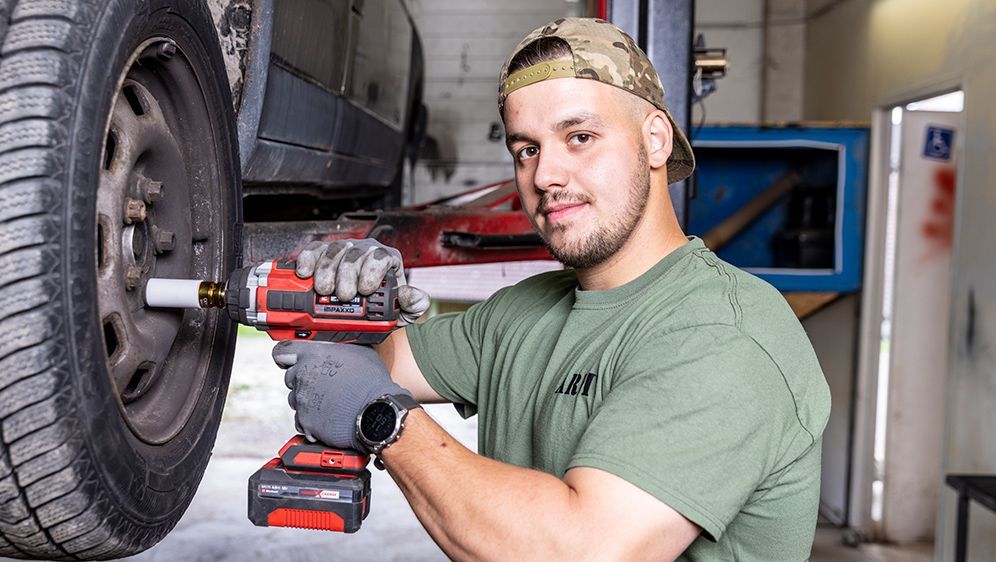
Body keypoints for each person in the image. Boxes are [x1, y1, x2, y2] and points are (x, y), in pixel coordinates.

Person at [272, 17, 831, 561]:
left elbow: (585, 549)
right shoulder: (522, 312)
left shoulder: (725, 335)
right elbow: (375, 362)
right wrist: (349, 308)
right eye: (526, 149)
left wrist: (382, 420)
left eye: (579, 137)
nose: (544, 176)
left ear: (655, 140)